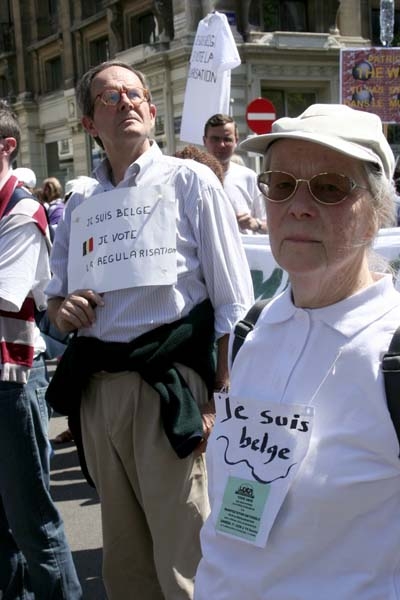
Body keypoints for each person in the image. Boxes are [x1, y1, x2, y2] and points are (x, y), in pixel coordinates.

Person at [44, 59, 254, 600]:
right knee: (125, 562)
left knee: (186, 560)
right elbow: (55, 299)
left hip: (170, 387)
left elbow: (232, 299)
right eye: (110, 98)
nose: (126, 103)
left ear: (153, 110)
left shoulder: (190, 181)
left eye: (134, 94)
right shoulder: (82, 201)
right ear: (89, 123)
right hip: (99, 394)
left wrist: (219, 395)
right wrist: (64, 311)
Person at [194, 103, 400, 600]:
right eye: (281, 184)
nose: (298, 206)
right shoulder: (251, 330)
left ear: (374, 215)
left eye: (329, 188)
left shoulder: (391, 352)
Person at [0, 101, 82, 598]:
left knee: (33, 522)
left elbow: (5, 294)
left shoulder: (22, 209)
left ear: (7, 146)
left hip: (10, 381)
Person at [203, 113, 267, 234]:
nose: (221, 145)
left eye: (227, 139)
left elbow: (270, 226)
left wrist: (255, 224)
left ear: (236, 141)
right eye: (215, 139)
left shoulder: (250, 178)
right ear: (204, 141)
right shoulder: (193, 178)